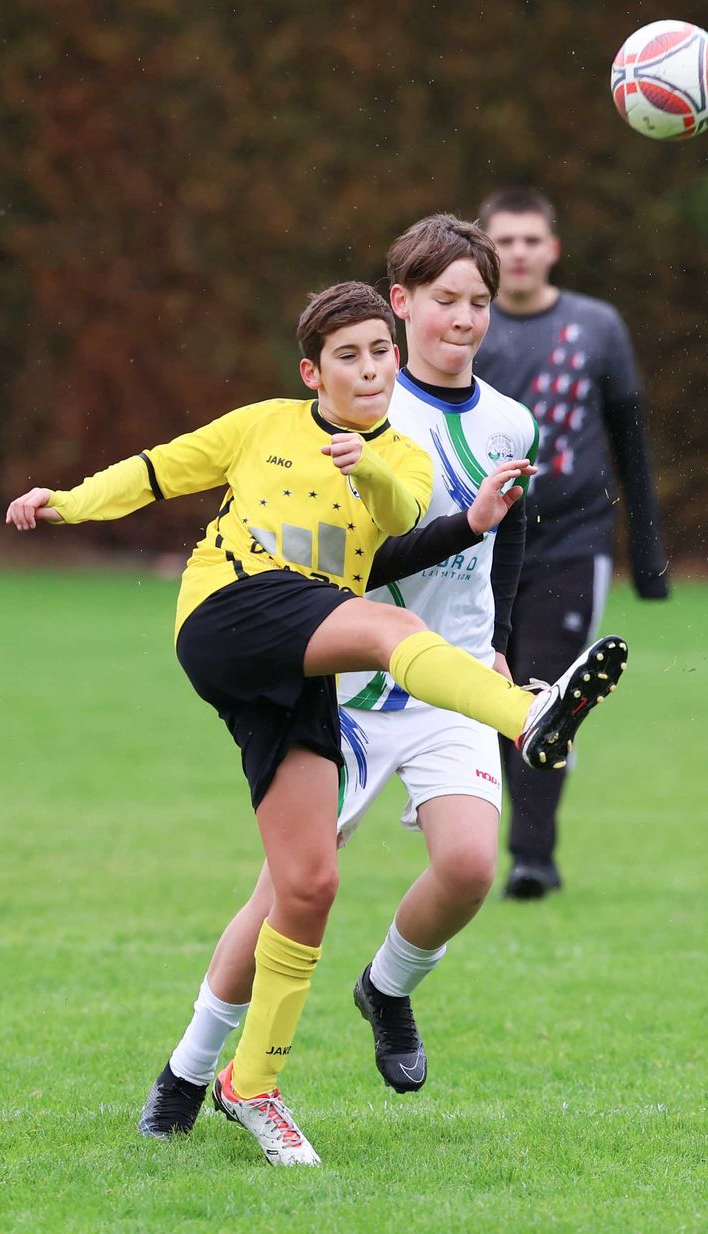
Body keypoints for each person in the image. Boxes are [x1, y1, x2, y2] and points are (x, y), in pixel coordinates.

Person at [7, 279, 627, 1165]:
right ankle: (530, 711)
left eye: (381, 352)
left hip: (301, 656)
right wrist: (67, 501)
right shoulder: (263, 423)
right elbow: (157, 470)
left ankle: (241, 1083)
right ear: (313, 370)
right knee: (394, 629)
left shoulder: (404, 458)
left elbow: (402, 519)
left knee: (307, 885)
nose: (371, 368)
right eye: (349, 355)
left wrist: (381, 468)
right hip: (228, 611)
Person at [137, 215, 552, 1141]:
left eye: (480, 303)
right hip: (355, 683)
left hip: (452, 679)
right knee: (288, 892)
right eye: (445, 301)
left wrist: (501, 645)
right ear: (400, 305)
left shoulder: (511, 420)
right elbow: (346, 556)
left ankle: (387, 987)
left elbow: (509, 539)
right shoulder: (357, 405)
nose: (465, 319)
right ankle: (188, 1070)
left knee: (471, 864)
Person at [473, 187, 670, 901]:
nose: (519, 252)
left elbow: (631, 440)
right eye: (506, 240)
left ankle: (532, 857)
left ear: (552, 249)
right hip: (483, 543)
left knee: (548, 692)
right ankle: (481, 835)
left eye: (532, 240)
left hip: (572, 540)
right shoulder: (467, 330)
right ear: (483, 251)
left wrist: (646, 551)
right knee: (485, 687)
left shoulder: (597, 327)